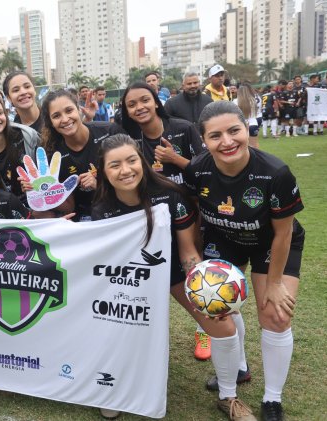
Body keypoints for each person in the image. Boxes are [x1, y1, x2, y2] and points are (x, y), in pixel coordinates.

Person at [91, 133, 254, 421]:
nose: (125, 170)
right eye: (114, 165)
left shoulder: (169, 195)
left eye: (131, 160)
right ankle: (114, 387)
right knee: (115, 329)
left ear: (142, 161)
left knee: (223, 326)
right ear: (103, 171)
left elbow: (188, 252)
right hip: (132, 279)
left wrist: (204, 292)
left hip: (173, 272)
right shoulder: (102, 209)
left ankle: (228, 396)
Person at [185, 100, 305, 421]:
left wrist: (276, 284)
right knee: (219, 304)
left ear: (246, 129)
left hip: (272, 241)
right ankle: (239, 369)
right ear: (204, 140)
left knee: (275, 314)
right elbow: (194, 218)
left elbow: (283, 234)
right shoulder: (196, 170)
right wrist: (199, 268)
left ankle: (272, 400)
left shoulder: (275, 173)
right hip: (224, 238)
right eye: (215, 136)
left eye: (234, 131)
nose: (227, 142)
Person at [120, 82, 212, 359]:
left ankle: (205, 329)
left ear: (156, 101)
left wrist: (176, 158)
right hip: (156, 220)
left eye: (144, 100)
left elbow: (207, 168)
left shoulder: (183, 128)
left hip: (193, 213)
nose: (139, 108)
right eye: (132, 104)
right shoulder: (130, 140)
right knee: (159, 278)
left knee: (196, 273)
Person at [40, 89, 122, 221]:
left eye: (69, 110)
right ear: (50, 123)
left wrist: (99, 185)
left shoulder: (109, 131)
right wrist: (38, 190)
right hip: (81, 223)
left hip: (118, 213)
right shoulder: (52, 154)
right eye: (56, 116)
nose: (65, 119)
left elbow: (132, 180)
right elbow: (69, 207)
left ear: (78, 109)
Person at [236, 83, 262, 148]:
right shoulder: (253, 100)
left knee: (244, 146)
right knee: (255, 145)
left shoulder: (235, 101)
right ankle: (257, 158)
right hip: (253, 124)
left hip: (242, 125)